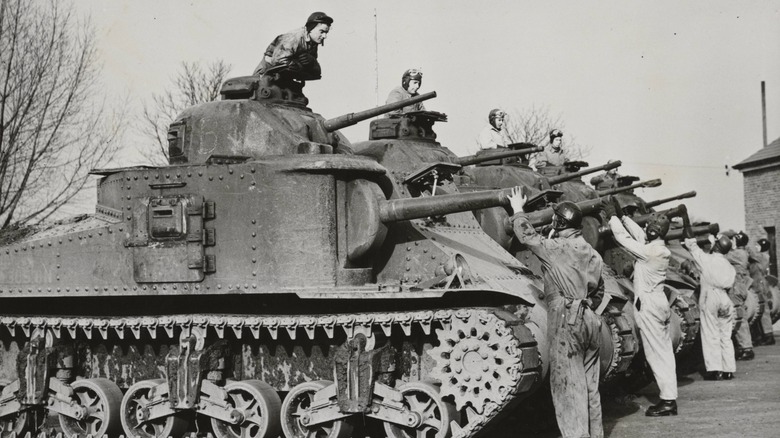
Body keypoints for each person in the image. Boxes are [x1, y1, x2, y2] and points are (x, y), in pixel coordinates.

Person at [508, 188, 604, 438]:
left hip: (566, 319)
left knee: (568, 388)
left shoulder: (555, 248)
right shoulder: (592, 252)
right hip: (590, 318)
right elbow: (600, 291)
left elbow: (527, 236)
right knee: (590, 387)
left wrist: (518, 210)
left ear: (558, 223)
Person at [607, 212, 678, 416]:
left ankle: (667, 402)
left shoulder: (649, 252)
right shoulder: (658, 248)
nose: (646, 228)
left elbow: (625, 239)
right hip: (659, 302)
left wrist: (613, 218)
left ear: (654, 230)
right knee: (663, 351)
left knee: (656, 354)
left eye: (649, 226)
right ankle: (669, 397)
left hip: (649, 305)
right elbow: (642, 237)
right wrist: (626, 218)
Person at [683, 234, 737, 381]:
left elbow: (691, 246)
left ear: (717, 246)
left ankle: (715, 370)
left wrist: (696, 240)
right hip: (725, 298)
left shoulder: (707, 260)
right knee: (726, 336)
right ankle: (728, 370)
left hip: (711, 296)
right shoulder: (729, 266)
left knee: (710, 333)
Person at [253, 12, 333, 80]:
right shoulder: (294, 38)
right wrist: (298, 65)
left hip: (284, 76)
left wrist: (312, 61)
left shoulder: (313, 42)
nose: (324, 36)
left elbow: (314, 71)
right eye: (322, 32)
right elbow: (277, 60)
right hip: (266, 72)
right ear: (311, 28)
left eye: (326, 33)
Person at [727, 231, 754, 360]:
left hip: (736, 287)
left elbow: (721, 254)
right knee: (740, 316)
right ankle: (745, 346)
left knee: (739, 317)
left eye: (733, 240)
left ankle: (746, 348)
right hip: (739, 286)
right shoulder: (741, 253)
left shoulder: (737, 254)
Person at [749, 237, 776, 345]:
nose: (756, 247)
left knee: (764, 310)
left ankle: (769, 335)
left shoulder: (763, 256)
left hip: (759, 284)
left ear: (763, 247)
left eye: (758, 245)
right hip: (757, 283)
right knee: (759, 310)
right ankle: (760, 335)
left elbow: (751, 254)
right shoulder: (760, 257)